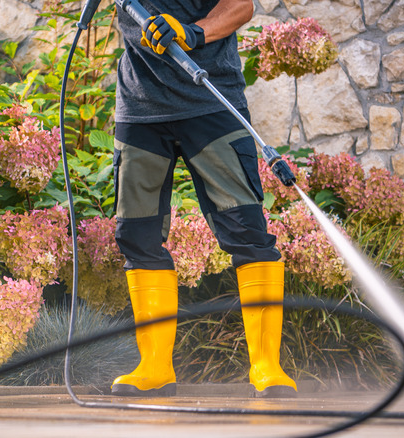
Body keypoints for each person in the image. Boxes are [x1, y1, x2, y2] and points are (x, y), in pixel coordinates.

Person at [110, 0, 297, 398]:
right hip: (140, 108)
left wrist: (191, 31)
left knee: (246, 231)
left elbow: (240, 6)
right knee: (137, 235)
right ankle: (155, 366)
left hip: (210, 100)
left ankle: (266, 366)